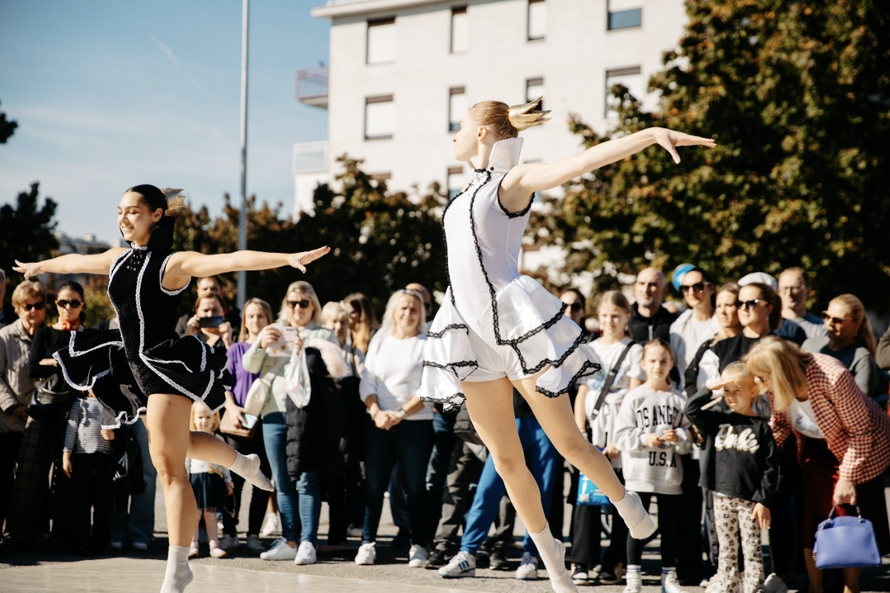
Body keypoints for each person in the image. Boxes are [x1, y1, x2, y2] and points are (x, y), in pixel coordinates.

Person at [420, 97, 712, 593]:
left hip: (515, 327)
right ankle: (553, 561)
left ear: (485, 135)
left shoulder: (508, 184)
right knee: (505, 458)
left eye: (460, 128)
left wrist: (649, 135)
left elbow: (580, 163)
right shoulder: (465, 190)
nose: (453, 136)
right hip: (469, 331)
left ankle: (625, 501)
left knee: (567, 441)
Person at [13, 184, 328, 593]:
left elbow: (230, 259)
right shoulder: (118, 257)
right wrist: (41, 265)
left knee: (167, 464)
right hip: (132, 367)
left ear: (157, 215)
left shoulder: (173, 263)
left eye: (134, 212)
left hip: (164, 364)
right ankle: (241, 460)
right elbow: (79, 259)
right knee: (176, 445)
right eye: (120, 211)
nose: (124, 219)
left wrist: (286, 259)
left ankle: (177, 568)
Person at [744, 336, 890, 593]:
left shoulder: (833, 376)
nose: (759, 383)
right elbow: (779, 425)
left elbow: (861, 431)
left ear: (780, 372)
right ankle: (815, 586)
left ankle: (850, 587)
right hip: (817, 449)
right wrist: (753, 454)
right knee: (811, 517)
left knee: (845, 517)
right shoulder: (775, 383)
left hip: (858, 447)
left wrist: (847, 477)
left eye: (763, 378)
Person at [569, 291, 644, 586]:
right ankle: (581, 561)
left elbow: (635, 395)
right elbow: (583, 392)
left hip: (620, 434)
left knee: (619, 497)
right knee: (586, 497)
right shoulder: (590, 348)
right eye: (604, 316)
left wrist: (618, 438)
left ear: (627, 317)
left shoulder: (634, 350)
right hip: (593, 433)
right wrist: (579, 433)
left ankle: (614, 561)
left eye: (615, 316)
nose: (609, 321)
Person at [685, 362, 780, 593]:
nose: (731, 396)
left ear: (752, 391)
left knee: (751, 549)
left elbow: (771, 468)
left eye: (737, 389)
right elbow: (690, 409)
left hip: (750, 501)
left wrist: (763, 500)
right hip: (721, 496)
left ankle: (752, 587)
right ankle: (728, 585)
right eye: (727, 391)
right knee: (727, 549)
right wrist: (711, 387)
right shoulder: (716, 420)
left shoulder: (761, 427)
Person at [10, 280, 91, 549]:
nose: (68, 307)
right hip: (44, 408)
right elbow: (33, 369)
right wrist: (65, 362)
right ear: (56, 304)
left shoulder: (89, 336)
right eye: (63, 302)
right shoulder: (45, 334)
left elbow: (91, 373)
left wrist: (54, 362)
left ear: (82, 305)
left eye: (74, 302)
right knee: (31, 473)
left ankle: (65, 536)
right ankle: (23, 533)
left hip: (77, 411)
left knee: (69, 474)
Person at [356, 288, 433, 567]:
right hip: (379, 423)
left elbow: (429, 388)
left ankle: (419, 545)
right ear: (393, 311)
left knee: (415, 488)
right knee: (374, 486)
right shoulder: (380, 339)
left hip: (416, 425)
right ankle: (367, 543)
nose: (408, 314)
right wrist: (376, 412)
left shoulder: (428, 342)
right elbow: (368, 380)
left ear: (421, 313)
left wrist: (400, 413)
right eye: (403, 308)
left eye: (414, 309)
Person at [614, 338, 692, 593]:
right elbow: (621, 436)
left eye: (663, 361)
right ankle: (633, 575)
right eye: (653, 360)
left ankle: (668, 575)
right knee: (637, 525)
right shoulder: (634, 397)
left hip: (669, 475)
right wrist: (644, 439)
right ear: (643, 364)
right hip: (639, 474)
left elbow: (689, 439)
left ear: (672, 363)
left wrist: (678, 437)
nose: (658, 365)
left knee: (669, 527)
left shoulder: (679, 399)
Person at [221, 297, 275, 554]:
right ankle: (230, 532)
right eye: (251, 316)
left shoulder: (276, 351)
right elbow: (226, 385)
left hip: (265, 423)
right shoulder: (235, 349)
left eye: (260, 316)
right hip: (238, 423)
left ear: (269, 320)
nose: (255, 321)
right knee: (234, 481)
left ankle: (254, 534)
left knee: (262, 480)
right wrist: (231, 408)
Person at [0, 281, 47, 539]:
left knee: (35, 480)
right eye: (27, 306)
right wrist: (14, 407)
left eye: (38, 305)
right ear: (17, 308)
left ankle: (30, 532)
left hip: (38, 421)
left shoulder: (49, 336)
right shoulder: (4, 336)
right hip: (8, 422)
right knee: (5, 481)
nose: (33, 311)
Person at [62, 391, 118, 556]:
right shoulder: (79, 403)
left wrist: (114, 436)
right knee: (81, 502)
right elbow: (71, 430)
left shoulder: (111, 404)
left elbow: (120, 427)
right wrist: (66, 455)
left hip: (105, 459)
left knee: (103, 503)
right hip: (82, 458)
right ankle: (80, 541)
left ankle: (100, 543)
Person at [802, 294, 878, 398]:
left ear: (857, 324)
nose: (830, 323)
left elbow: (859, 403)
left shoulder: (861, 358)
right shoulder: (810, 345)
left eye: (838, 320)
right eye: (826, 316)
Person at [187, 401, 233, 559]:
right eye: (200, 417)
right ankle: (193, 544)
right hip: (195, 480)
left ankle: (214, 545)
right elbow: (186, 462)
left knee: (211, 515)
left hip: (212, 479)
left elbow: (225, 460)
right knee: (194, 514)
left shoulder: (218, 438)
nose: (204, 421)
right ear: (193, 418)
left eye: (208, 417)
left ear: (215, 419)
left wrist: (228, 480)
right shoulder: (190, 437)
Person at [670, 266, 719, 389]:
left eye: (698, 287)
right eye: (685, 288)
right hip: (686, 397)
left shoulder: (723, 323)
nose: (691, 293)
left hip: (717, 398)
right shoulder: (678, 327)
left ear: (711, 288)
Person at [174, 276, 241, 337]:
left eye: (213, 289)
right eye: (205, 289)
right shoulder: (185, 321)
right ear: (198, 292)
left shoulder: (234, 320)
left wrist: (229, 342)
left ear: (221, 292)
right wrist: (187, 335)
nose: (209, 292)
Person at [629, 268, 680, 344]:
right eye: (642, 284)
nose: (645, 290)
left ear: (664, 291)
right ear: (635, 287)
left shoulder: (675, 324)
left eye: (652, 285)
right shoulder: (623, 322)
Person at [777, 267, 826, 341]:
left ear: (808, 291)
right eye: (785, 288)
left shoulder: (822, 327)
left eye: (795, 288)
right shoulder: (769, 325)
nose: (789, 293)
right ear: (778, 292)